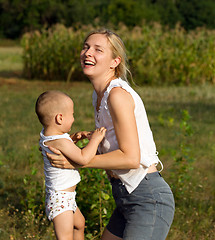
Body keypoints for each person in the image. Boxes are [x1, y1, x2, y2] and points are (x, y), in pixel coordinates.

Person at [47, 29, 175, 240]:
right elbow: (114, 143)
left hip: (147, 198)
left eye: (98, 50)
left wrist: (78, 162)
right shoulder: (98, 96)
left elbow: (131, 158)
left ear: (114, 61)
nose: (88, 53)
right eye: (86, 47)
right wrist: (84, 144)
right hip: (125, 197)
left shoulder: (117, 95)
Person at [35, 90, 106, 240]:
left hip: (66, 197)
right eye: (72, 114)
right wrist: (96, 139)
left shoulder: (48, 135)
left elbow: (62, 143)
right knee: (65, 236)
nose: (73, 119)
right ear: (60, 118)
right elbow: (83, 158)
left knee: (79, 224)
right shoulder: (60, 141)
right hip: (60, 198)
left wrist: (73, 137)